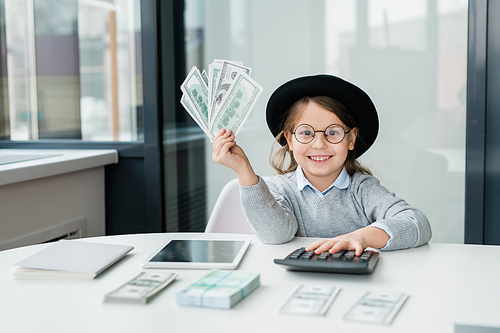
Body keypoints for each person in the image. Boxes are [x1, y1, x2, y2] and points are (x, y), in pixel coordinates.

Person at [212, 74, 432, 255]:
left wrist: (362, 236)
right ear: (289, 140)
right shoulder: (280, 189)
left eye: (333, 133)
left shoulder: (362, 190)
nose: (319, 144)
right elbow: (275, 236)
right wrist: (243, 170)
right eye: (306, 133)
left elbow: (417, 223)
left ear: (351, 139)